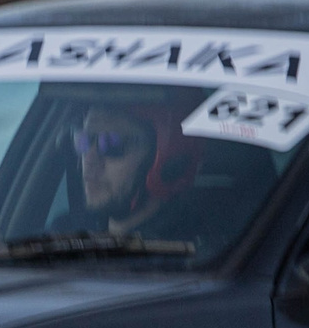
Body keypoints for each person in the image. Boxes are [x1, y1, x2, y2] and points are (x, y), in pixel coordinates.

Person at [66, 97, 211, 243]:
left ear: (165, 159)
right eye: (83, 140)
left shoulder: (194, 254)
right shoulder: (64, 233)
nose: (89, 160)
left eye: (111, 143)